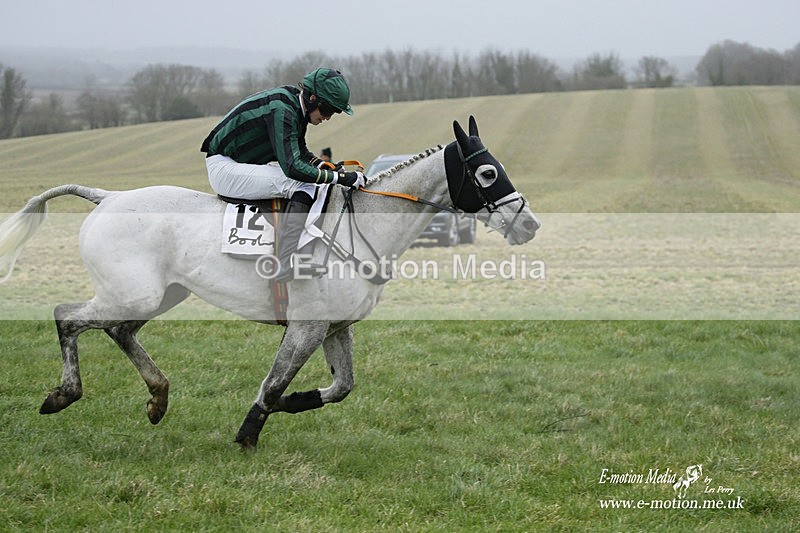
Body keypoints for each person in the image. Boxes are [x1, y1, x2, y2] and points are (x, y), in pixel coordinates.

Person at [201, 68, 365, 282]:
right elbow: (293, 167)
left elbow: (301, 151)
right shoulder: (283, 109)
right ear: (313, 98)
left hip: (235, 164)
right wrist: (341, 178)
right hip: (224, 167)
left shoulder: (294, 105)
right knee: (301, 184)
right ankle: (284, 263)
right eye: (327, 111)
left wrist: (326, 166)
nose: (327, 118)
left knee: (312, 182)